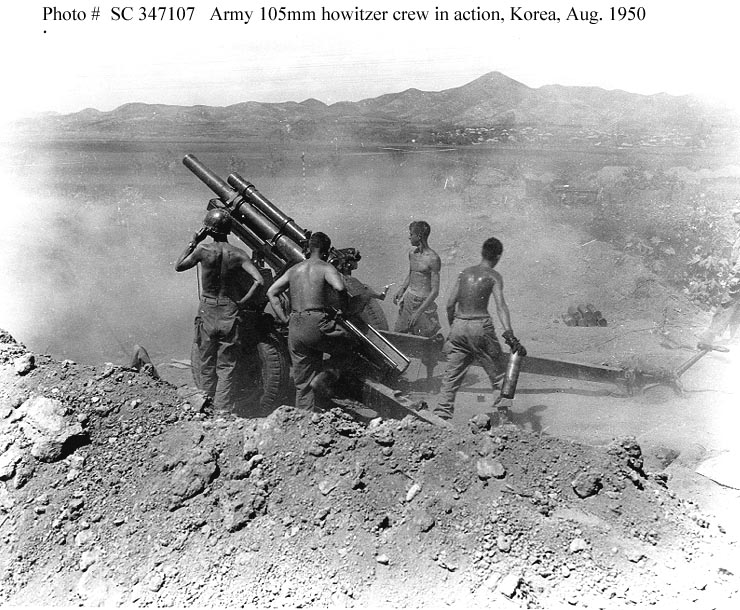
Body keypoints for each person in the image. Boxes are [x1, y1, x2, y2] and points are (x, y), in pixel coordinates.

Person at [175, 207, 264, 414]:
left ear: (209, 229)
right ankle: (222, 411)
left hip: (208, 309)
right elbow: (259, 281)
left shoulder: (202, 251)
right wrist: (241, 302)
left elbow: (179, 265)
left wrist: (194, 241)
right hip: (229, 310)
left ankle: (204, 406)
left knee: (206, 362)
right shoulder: (239, 254)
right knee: (227, 366)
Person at [434, 237, 526, 423]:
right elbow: (501, 306)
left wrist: (455, 327)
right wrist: (509, 334)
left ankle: (440, 417)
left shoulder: (464, 273)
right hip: (480, 326)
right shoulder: (493, 276)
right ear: (498, 256)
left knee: (451, 377)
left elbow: (450, 304)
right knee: (499, 374)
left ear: (482, 252)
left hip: (459, 325)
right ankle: (504, 419)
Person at [266, 231, 352, 411]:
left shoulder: (293, 270)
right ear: (326, 252)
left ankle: (304, 421)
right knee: (350, 345)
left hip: (295, 325)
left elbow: (271, 292)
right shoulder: (326, 268)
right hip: (317, 322)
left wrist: (284, 319)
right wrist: (343, 309)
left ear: (309, 249)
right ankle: (324, 377)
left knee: (302, 382)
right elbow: (340, 287)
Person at [698, 207, 740, 348]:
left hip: (738, 276)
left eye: (737, 214)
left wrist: (736, 275)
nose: (734, 217)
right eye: (734, 214)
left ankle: (708, 338)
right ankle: (732, 339)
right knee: (735, 308)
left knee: (726, 305)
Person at [393, 220, 442, 337]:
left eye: (411, 234)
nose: (409, 237)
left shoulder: (433, 258)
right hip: (409, 300)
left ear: (419, 236)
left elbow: (435, 291)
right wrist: (402, 289)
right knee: (398, 336)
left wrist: (418, 312)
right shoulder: (412, 254)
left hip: (423, 305)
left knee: (423, 341)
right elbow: (412, 274)